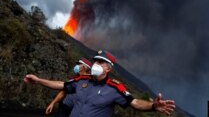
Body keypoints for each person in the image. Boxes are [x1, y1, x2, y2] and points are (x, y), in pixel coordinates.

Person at [24, 50, 175, 117]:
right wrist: (38, 80)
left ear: (108, 68)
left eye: (100, 62)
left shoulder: (115, 88)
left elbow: (134, 102)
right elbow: (61, 85)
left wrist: (153, 106)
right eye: (95, 61)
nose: (95, 64)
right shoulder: (81, 81)